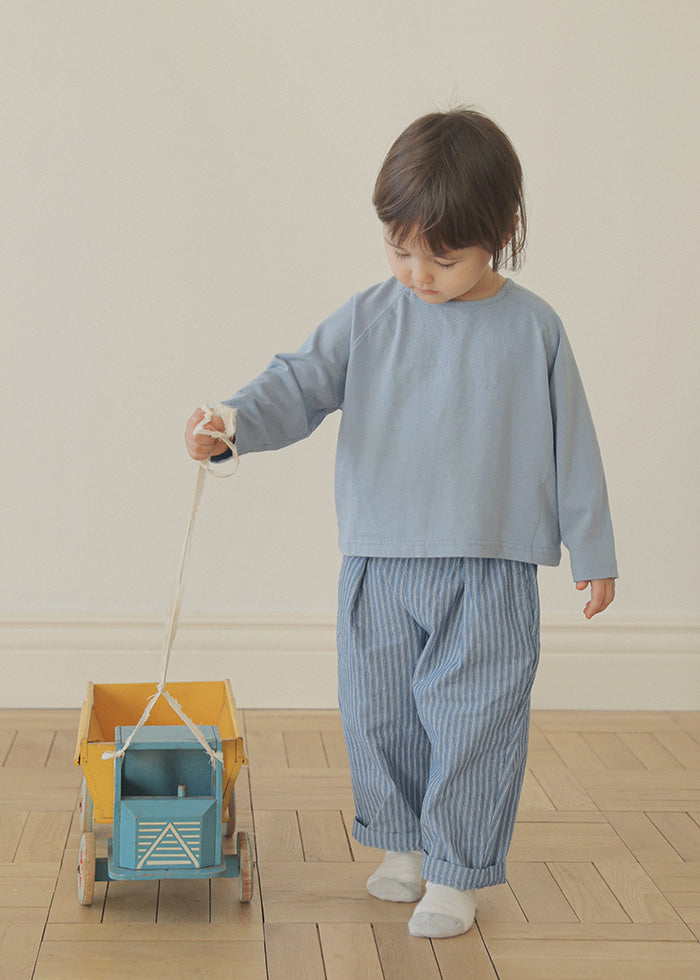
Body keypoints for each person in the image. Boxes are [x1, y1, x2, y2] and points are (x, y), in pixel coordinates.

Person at [185, 108, 617, 939]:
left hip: (489, 564)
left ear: (501, 233)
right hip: (380, 560)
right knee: (377, 712)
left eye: (441, 256)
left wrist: (592, 550)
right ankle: (402, 844)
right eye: (399, 247)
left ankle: (457, 869)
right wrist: (232, 421)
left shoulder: (534, 329)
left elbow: (576, 444)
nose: (417, 271)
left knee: (477, 717)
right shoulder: (370, 316)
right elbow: (300, 383)